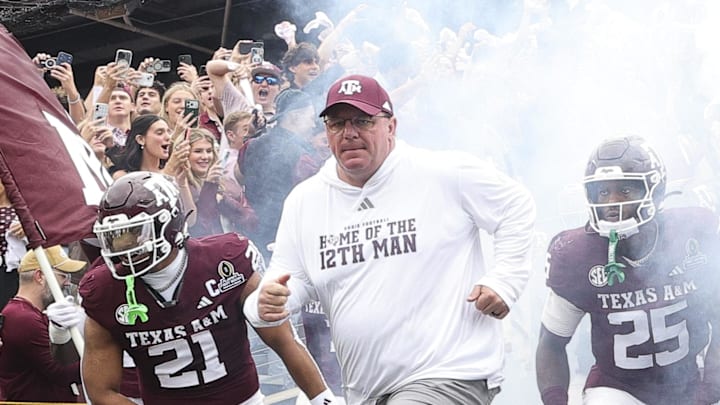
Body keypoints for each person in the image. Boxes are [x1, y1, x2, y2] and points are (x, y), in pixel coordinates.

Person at [244, 74, 536, 404]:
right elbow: (289, 279)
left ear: (391, 126)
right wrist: (270, 301)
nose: (349, 132)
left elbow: (516, 205)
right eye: (337, 123)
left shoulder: (441, 172)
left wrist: (505, 280)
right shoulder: (305, 201)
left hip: (449, 373)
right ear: (326, 133)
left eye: (363, 121)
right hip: (367, 390)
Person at [79, 171, 336, 404]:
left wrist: (322, 399)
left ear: (168, 224)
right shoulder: (105, 290)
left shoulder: (225, 261)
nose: (124, 248)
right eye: (115, 237)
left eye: (134, 234)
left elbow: (284, 340)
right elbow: (101, 390)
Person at [535, 136, 720, 405]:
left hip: (689, 381)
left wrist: (711, 390)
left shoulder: (692, 235)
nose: (611, 203)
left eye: (624, 191)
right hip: (619, 388)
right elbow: (551, 342)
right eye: (602, 192)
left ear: (654, 191)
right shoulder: (577, 254)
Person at [0, 245, 86, 402]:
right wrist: (106, 359)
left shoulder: (24, 312)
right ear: (40, 276)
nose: (67, 283)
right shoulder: (23, 318)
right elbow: (60, 373)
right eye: (63, 276)